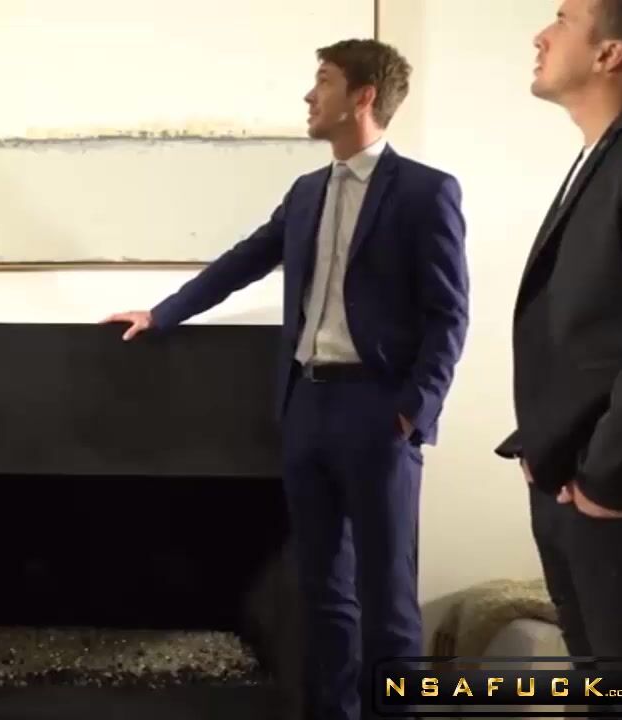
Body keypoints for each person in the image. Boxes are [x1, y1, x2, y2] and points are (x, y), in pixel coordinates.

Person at [105, 39, 469, 720]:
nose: (309, 95)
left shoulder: (426, 192)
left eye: (323, 81)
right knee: (323, 595)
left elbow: (449, 314)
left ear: (362, 96)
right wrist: (161, 313)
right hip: (306, 408)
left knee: (388, 600)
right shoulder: (306, 193)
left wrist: (413, 410)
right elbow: (244, 261)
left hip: (378, 413)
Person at [494, 0, 622, 712]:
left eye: (563, 19)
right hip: (567, 478)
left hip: (613, 498)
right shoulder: (606, 151)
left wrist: (607, 478)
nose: (541, 34)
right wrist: (543, 446)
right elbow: (587, 332)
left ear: (609, 53)